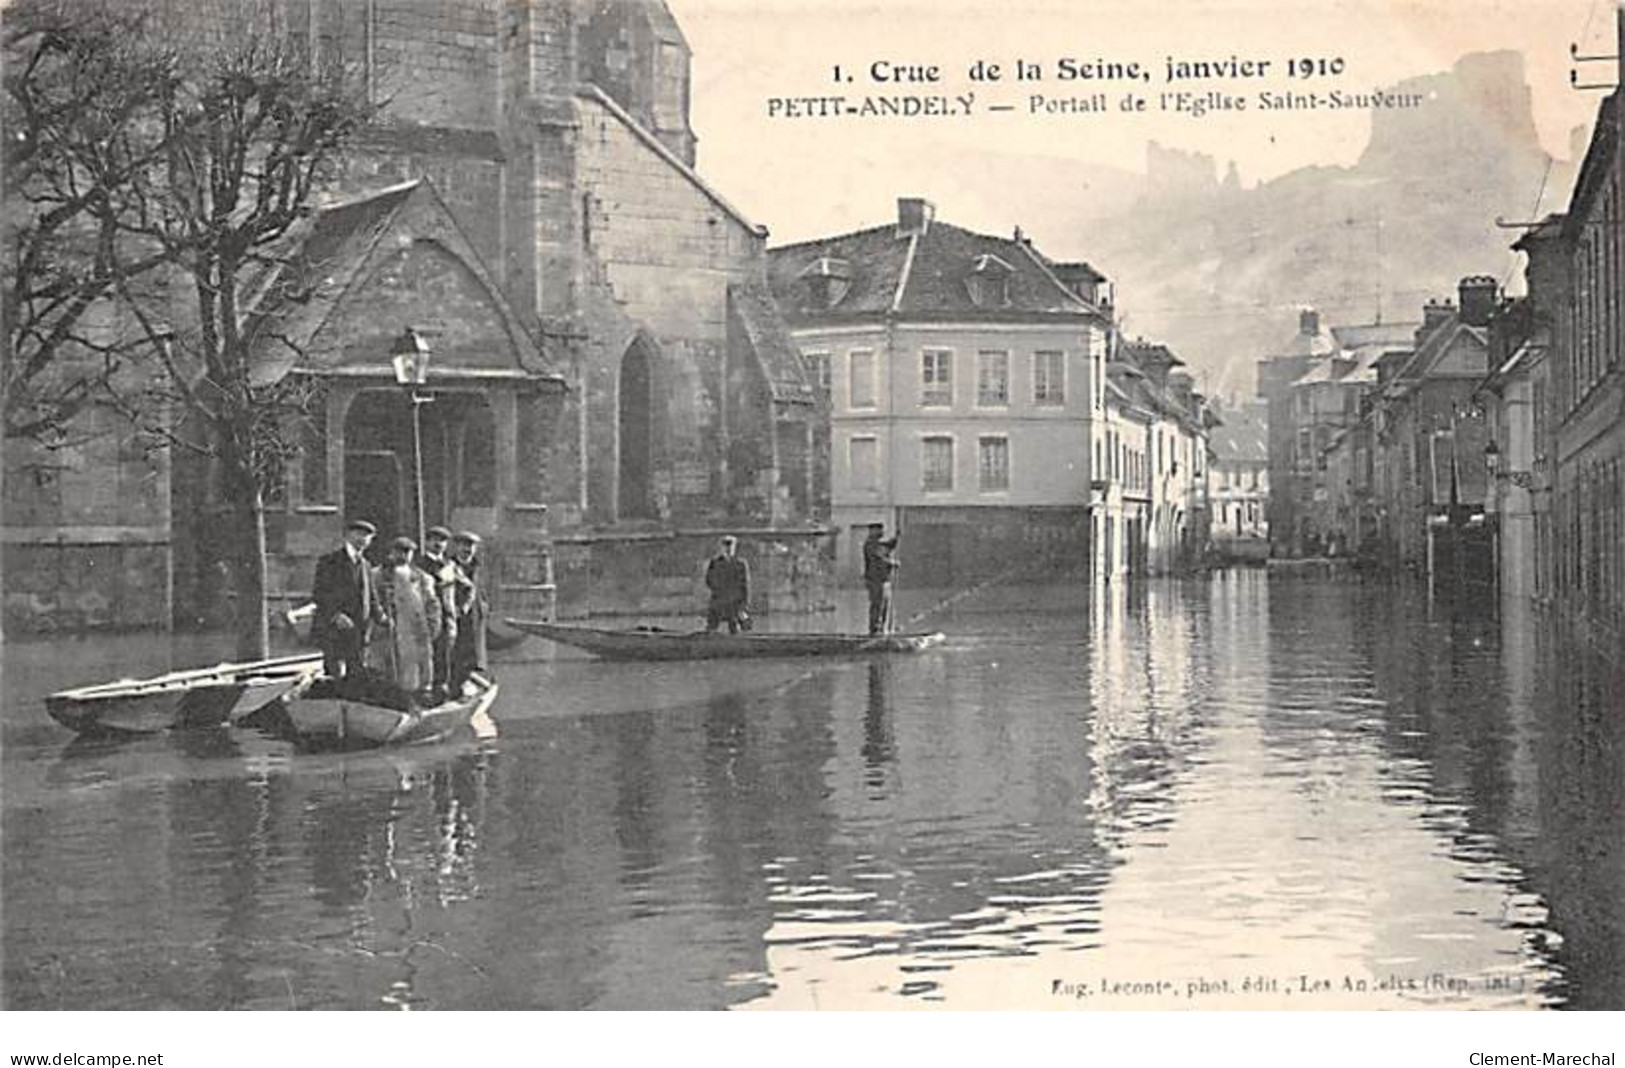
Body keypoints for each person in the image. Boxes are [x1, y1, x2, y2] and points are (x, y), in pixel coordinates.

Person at [372, 536, 442, 702]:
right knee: (385, 664)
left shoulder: (421, 577)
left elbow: (432, 603)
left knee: (417, 664)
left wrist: (433, 625)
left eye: (407, 552)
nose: (402, 556)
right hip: (386, 628)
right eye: (398, 551)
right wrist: (380, 616)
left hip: (415, 628)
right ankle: (388, 698)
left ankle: (418, 696)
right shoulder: (376, 575)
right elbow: (370, 600)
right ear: (391, 552)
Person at [311, 519, 383, 679]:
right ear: (348, 536)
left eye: (367, 536)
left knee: (356, 672)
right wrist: (336, 615)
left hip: (359, 628)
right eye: (358, 534)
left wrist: (381, 616)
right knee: (334, 672)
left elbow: (372, 596)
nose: (362, 539)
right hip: (334, 627)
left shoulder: (366, 565)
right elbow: (319, 593)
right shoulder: (330, 561)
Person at [417, 525, 460, 702]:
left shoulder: (450, 565)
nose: (438, 544)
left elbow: (467, 587)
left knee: (445, 653)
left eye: (442, 541)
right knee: (425, 655)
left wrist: (460, 608)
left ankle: (441, 692)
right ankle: (424, 693)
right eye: (434, 540)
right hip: (426, 618)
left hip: (447, 618)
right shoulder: (418, 564)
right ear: (426, 542)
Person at [448, 531, 489, 694]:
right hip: (457, 616)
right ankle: (455, 686)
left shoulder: (478, 567)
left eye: (471, 546)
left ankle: (468, 681)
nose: (467, 549)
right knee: (456, 651)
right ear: (456, 547)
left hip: (476, 616)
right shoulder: (450, 567)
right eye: (464, 545)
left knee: (474, 651)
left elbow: (482, 590)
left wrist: (484, 607)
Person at [704, 535, 750, 634]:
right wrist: (719, 590)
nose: (728, 549)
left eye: (731, 546)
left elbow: (744, 585)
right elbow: (709, 580)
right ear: (722, 547)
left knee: (736, 628)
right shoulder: (715, 563)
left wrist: (744, 604)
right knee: (711, 628)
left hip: (734, 603)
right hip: (719, 601)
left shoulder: (740, 564)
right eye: (726, 546)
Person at [862, 523, 900, 636]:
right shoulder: (870, 545)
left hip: (884, 580)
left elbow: (889, 546)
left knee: (884, 605)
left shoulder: (880, 545)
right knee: (877, 605)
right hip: (875, 580)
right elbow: (879, 558)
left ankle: (882, 629)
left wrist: (897, 536)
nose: (881, 532)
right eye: (878, 530)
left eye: (881, 530)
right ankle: (875, 630)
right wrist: (892, 563)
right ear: (872, 531)